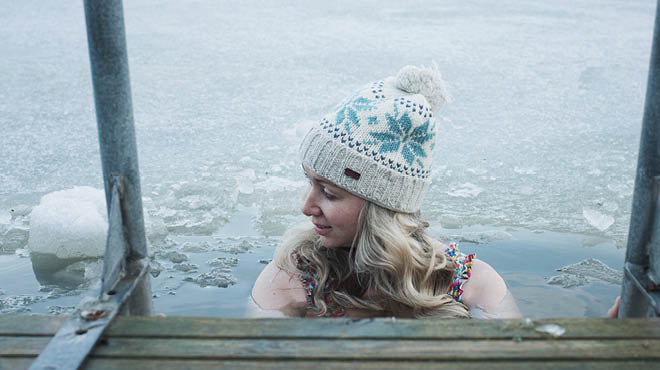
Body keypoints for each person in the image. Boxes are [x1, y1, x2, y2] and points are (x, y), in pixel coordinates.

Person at [250, 65, 521, 319]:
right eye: (310, 182)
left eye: (329, 193)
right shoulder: (293, 278)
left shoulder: (473, 286)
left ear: (381, 206)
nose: (307, 207)